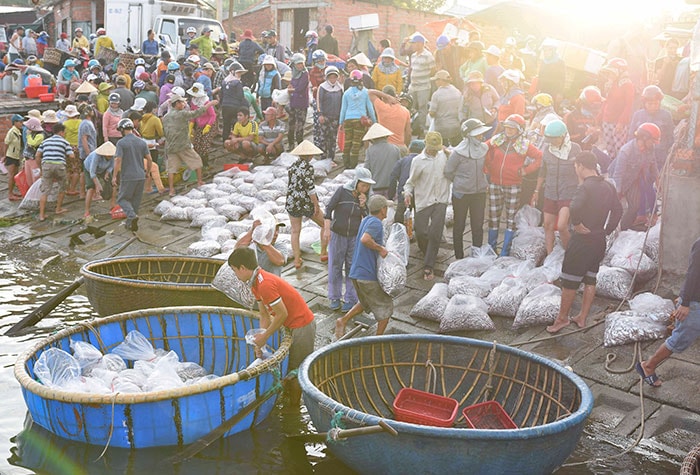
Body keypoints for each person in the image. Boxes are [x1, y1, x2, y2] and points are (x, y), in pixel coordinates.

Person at [228, 247, 316, 408]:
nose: (235, 274)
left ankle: (294, 407)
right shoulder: (255, 283)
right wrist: (259, 341)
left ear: (242, 268)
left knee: (296, 370)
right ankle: (289, 398)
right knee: (289, 367)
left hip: (302, 324)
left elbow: (282, 314)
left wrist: (266, 336)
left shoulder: (265, 284)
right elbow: (264, 315)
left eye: (235, 270)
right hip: (292, 324)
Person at [546, 152, 622, 333]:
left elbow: (574, 207)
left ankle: (562, 319)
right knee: (590, 278)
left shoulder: (585, 187)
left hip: (582, 241)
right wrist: (606, 230)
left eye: (575, 166)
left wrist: (578, 224)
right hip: (598, 239)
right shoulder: (608, 186)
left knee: (570, 280)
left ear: (580, 166)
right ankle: (582, 317)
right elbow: (618, 211)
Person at [638, 237, 700, 387]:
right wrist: (685, 303)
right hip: (695, 302)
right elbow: (692, 274)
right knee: (679, 339)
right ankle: (648, 366)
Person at [334, 194, 393, 339]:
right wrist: (381, 249)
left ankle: (342, 320)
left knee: (365, 302)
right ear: (383, 210)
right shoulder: (376, 223)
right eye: (386, 208)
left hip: (356, 272)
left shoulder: (366, 219)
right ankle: (376, 340)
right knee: (386, 308)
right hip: (367, 275)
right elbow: (365, 239)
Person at [484, 114, 543, 256]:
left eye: (513, 128)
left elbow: (540, 157)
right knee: (493, 216)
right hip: (494, 183)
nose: (509, 130)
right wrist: (487, 167)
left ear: (519, 130)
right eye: (507, 127)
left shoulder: (524, 145)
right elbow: (483, 149)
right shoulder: (496, 140)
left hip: (513, 185)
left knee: (511, 219)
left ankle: (505, 251)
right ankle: (491, 249)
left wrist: (526, 171)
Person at [403, 132, 451, 280]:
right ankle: (427, 252)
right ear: (426, 146)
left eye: (436, 149)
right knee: (421, 231)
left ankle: (428, 266)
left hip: (441, 200)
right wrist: (407, 193)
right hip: (423, 200)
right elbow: (410, 182)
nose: (434, 151)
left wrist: (449, 153)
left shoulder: (444, 156)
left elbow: (458, 158)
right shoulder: (418, 161)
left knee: (435, 233)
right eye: (431, 149)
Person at [324, 168, 373, 312]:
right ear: (356, 182)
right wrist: (327, 229)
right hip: (338, 234)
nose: (366, 188)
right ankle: (334, 297)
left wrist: (363, 205)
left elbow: (367, 217)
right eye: (363, 185)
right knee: (335, 266)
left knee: (352, 267)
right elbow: (328, 209)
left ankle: (350, 298)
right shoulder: (342, 191)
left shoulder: (365, 197)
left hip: (354, 237)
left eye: (367, 185)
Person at [444, 119, 492, 259]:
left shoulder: (484, 148)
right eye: (477, 135)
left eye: (481, 135)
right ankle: (459, 256)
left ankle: (476, 255)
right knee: (459, 225)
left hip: (479, 193)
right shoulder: (458, 153)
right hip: (461, 194)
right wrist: (461, 182)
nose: (481, 137)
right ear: (469, 136)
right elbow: (448, 171)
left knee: (478, 225)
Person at [533, 120, 581, 254]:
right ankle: (550, 256)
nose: (552, 142)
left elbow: (581, 169)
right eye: (550, 139)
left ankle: (569, 253)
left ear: (563, 136)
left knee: (561, 226)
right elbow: (542, 171)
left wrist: (582, 189)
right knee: (547, 225)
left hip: (568, 192)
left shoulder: (575, 149)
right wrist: (536, 190)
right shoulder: (547, 150)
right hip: (550, 192)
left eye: (554, 139)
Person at [162, 95, 218, 196]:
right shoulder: (182, 114)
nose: (184, 104)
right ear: (177, 104)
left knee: (171, 169)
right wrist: (209, 104)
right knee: (197, 161)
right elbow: (196, 113)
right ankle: (200, 182)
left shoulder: (166, 117)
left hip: (170, 146)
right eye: (182, 103)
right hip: (182, 144)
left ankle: (171, 190)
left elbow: (164, 132)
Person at [286, 140, 328, 269]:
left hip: (292, 201)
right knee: (325, 224)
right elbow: (310, 189)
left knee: (295, 231)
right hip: (305, 202)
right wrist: (316, 205)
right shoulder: (308, 168)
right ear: (309, 155)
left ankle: (297, 260)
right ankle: (323, 253)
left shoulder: (292, 166)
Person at [610, 123, 660, 230]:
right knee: (615, 209)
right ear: (644, 138)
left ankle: (624, 228)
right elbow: (617, 175)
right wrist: (617, 193)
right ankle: (609, 230)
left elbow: (653, 164)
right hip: (616, 180)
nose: (653, 144)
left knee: (635, 206)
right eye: (653, 140)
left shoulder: (650, 148)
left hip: (632, 180)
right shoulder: (626, 151)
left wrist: (658, 179)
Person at [111, 118, 151, 231]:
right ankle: (131, 224)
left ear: (122, 130)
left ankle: (132, 217)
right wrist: (147, 172)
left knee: (122, 199)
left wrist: (114, 176)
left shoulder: (121, 143)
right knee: (135, 201)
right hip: (141, 175)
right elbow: (149, 158)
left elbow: (118, 160)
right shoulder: (141, 142)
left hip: (128, 176)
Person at [627, 85, 674, 171]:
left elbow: (670, 137)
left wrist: (669, 154)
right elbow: (631, 135)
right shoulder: (637, 115)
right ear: (644, 103)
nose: (653, 106)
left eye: (656, 104)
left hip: (659, 155)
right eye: (650, 104)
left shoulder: (666, 115)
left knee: (657, 178)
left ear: (660, 103)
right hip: (641, 154)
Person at [339, 70, 376, 169]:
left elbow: (343, 109)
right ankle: (353, 164)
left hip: (348, 119)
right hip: (360, 120)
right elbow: (370, 108)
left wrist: (340, 122)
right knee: (356, 143)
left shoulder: (346, 93)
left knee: (347, 141)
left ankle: (346, 164)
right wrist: (374, 121)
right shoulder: (365, 92)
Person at [600, 58, 635, 160]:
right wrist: (600, 117)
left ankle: (619, 170)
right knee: (609, 147)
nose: (609, 75)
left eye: (612, 72)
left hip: (618, 122)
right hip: (606, 120)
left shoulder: (627, 84)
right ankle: (611, 168)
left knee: (619, 148)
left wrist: (621, 122)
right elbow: (606, 101)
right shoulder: (611, 83)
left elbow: (628, 105)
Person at [36, 123, 73, 221]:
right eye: (64, 132)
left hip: (46, 166)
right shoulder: (65, 142)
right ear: (61, 132)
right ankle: (58, 208)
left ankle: (41, 215)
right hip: (60, 166)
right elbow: (71, 156)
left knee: (45, 191)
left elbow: (37, 155)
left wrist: (41, 168)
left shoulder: (45, 142)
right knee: (62, 187)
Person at [407, 33, 435, 138]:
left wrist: (423, 77)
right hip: (413, 86)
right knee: (410, 106)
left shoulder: (428, 56)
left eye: (414, 43)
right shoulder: (413, 55)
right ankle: (410, 127)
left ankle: (421, 130)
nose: (413, 45)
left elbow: (433, 70)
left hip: (423, 86)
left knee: (422, 108)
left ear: (420, 44)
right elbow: (411, 69)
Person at [390, 140, 424, 225]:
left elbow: (393, 177)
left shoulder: (402, 161)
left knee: (400, 219)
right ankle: (418, 235)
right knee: (420, 219)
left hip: (404, 194)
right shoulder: (424, 161)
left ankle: (400, 235)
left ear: (409, 150)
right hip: (420, 195)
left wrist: (391, 194)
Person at [363, 123, 400, 197]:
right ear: (386, 136)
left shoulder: (370, 150)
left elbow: (366, 170)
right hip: (391, 187)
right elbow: (399, 169)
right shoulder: (395, 149)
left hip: (376, 187)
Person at [218, 62, 249, 146]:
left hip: (225, 106)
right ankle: (236, 142)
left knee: (226, 124)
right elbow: (240, 96)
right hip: (235, 106)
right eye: (238, 73)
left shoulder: (224, 82)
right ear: (233, 72)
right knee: (236, 124)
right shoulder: (237, 83)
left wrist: (221, 104)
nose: (240, 75)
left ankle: (225, 142)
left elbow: (221, 94)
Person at [316, 66, 343, 161]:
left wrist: (341, 117)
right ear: (327, 77)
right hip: (325, 116)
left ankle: (331, 158)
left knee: (333, 138)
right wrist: (320, 114)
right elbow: (319, 101)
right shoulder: (322, 87)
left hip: (336, 117)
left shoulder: (340, 88)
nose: (333, 79)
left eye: (334, 77)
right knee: (323, 137)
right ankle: (323, 157)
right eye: (330, 77)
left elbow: (342, 102)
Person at [429, 70, 462, 147]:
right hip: (456, 126)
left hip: (442, 129)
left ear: (440, 80)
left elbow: (432, 113)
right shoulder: (457, 91)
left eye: (436, 80)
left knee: (443, 151)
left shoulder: (436, 94)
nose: (435, 82)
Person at [84, 141, 116, 218]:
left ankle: (112, 205)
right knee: (91, 188)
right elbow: (92, 172)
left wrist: (107, 173)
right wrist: (97, 185)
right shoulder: (96, 156)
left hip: (104, 169)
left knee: (113, 184)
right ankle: (87, 211)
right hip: (89, 169)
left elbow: (111, 166)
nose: (110, 156)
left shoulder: (112, 156)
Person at [188, 83, 217, 168]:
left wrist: (208, 126)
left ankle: (205, 163)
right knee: (197, 143)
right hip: (199, 125)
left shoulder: (206, 102)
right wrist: (191, 125)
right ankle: (198, 163)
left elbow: (213, 115)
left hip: (209, 124)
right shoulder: (193, 102)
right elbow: (193, 114)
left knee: (204, 143)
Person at [287, 53, 310, 150]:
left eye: (301, 63)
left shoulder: (305, 74)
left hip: (302, 103)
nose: (300, 66)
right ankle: (291, 145)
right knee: (291, 124)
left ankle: (300, 147)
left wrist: (292, 90)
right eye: (298, 64)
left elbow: (300, 88)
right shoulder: (293, 74)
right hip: (293, 102)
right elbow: (291, 85)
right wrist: (290, 88)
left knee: (300, 126)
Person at [537, 39, 566, 107]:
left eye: (547, 50)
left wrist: (560, 93)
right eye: (544, 50)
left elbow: (562, 79)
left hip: (554, 92)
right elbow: (540, 76)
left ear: (553, 51)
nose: (545, 52)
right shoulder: (544, 62)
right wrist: (538, 89)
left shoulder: (560, 62)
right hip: (543, 90)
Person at [3, 114, 24, 201]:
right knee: (11, 175)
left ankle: (12, 192)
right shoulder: (12, 132)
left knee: (15, 174)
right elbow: (6, 144)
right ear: (14, 122)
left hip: (16, 155)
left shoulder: (18, 131)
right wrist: (5, 156)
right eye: (20, 122)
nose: (21, 123)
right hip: (11, 156)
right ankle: (10, 194)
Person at [22, 117, 45, 189]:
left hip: (35, 159)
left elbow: (33, 143)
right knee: (28, 177)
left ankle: (37, 193)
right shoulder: (31, 134)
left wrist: (28, 136)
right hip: (28, 158)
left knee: (35, 177)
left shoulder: (40, 135)